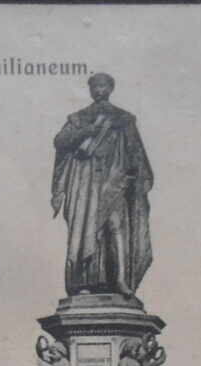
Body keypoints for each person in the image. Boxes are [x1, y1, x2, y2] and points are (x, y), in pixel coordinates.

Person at [51, 72, 154, 297]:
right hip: (86, 185)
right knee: (86, 231)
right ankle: (83, 283)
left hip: (114, 182)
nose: (99, 89)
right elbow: (60, 141)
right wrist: (87, 131)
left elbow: (135, 153)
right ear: (90, 89)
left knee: (116, 226)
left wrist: (135, 179)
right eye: (95, 85)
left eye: (103, 85)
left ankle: (119, 279)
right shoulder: (79, 118)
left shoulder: (124, 119)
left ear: (110, 88)